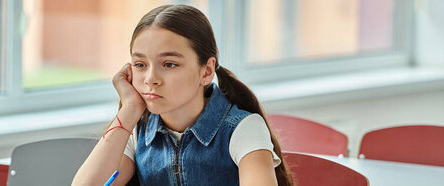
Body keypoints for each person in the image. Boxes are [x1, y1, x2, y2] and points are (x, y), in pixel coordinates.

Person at [73, 4, 293, 186]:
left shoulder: (243, 130)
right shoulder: (137, 130)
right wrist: (129, 110)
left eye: (169, 64)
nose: (151, 78)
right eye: (140, 64)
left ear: (206, 72)